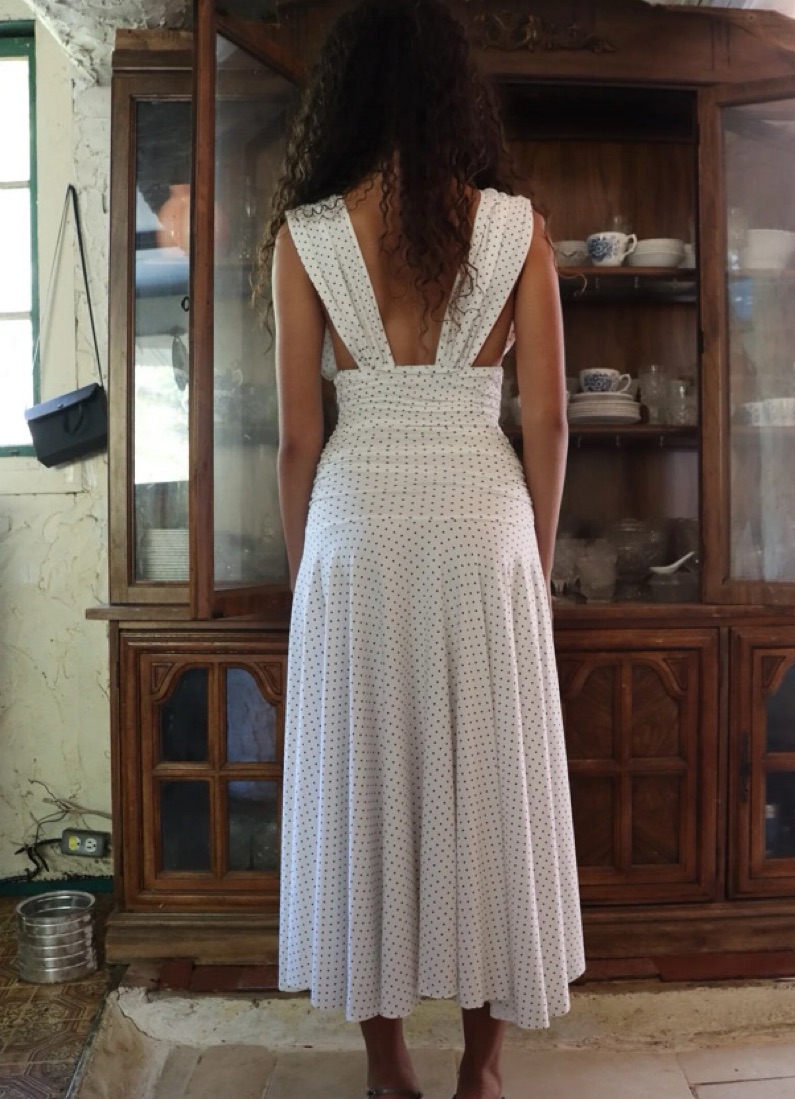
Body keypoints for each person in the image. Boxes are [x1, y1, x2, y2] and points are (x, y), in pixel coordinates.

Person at [256, 2, 585, 1096]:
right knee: (486, 793)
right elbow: (548, 421)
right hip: (483, 527)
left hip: (356, 530)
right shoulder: (517, 230)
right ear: (457, 96)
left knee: (369, 791)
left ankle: (387, 1065)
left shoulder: (306, 236)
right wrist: (533, 563)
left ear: (342, 100)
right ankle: (481, 1071)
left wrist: (307, 577)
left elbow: (297, 437)